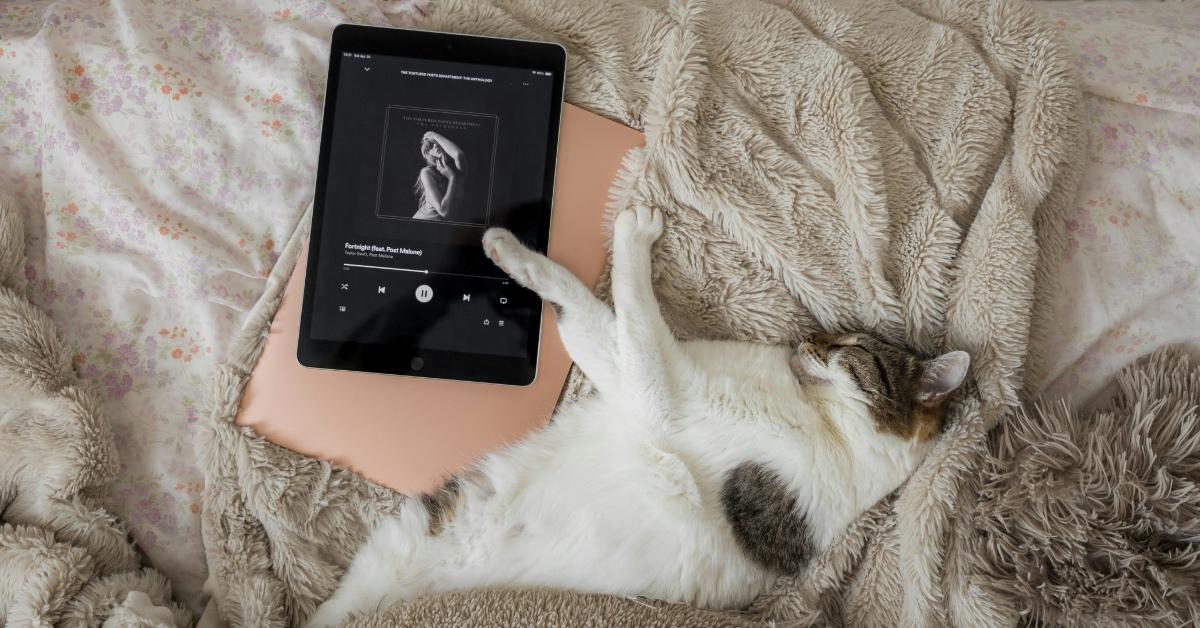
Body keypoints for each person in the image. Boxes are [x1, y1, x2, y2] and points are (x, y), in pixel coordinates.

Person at [412, 131, 466, 220]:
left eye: (439, 143)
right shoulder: (427, 172)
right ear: (427, 153)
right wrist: (452, 178)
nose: (436, 146)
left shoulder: (459, 169)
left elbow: (459, 155)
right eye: (431, 145)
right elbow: (444, 211)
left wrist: (434, 135)